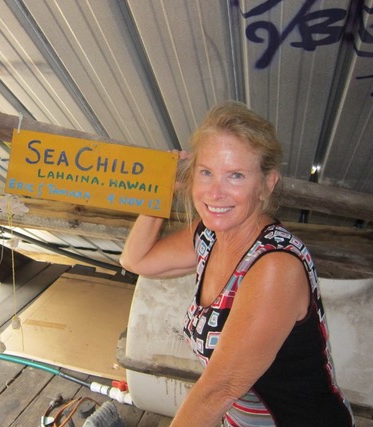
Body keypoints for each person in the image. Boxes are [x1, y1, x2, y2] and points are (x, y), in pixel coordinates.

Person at [120, 101, 354, 426]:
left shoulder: (274, 266)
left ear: (266, 185)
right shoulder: (210, 235)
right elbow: (136, 260)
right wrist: (158, 188)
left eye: (236, 176)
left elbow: (219, 390)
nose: (215, 193)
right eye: (206, 172)